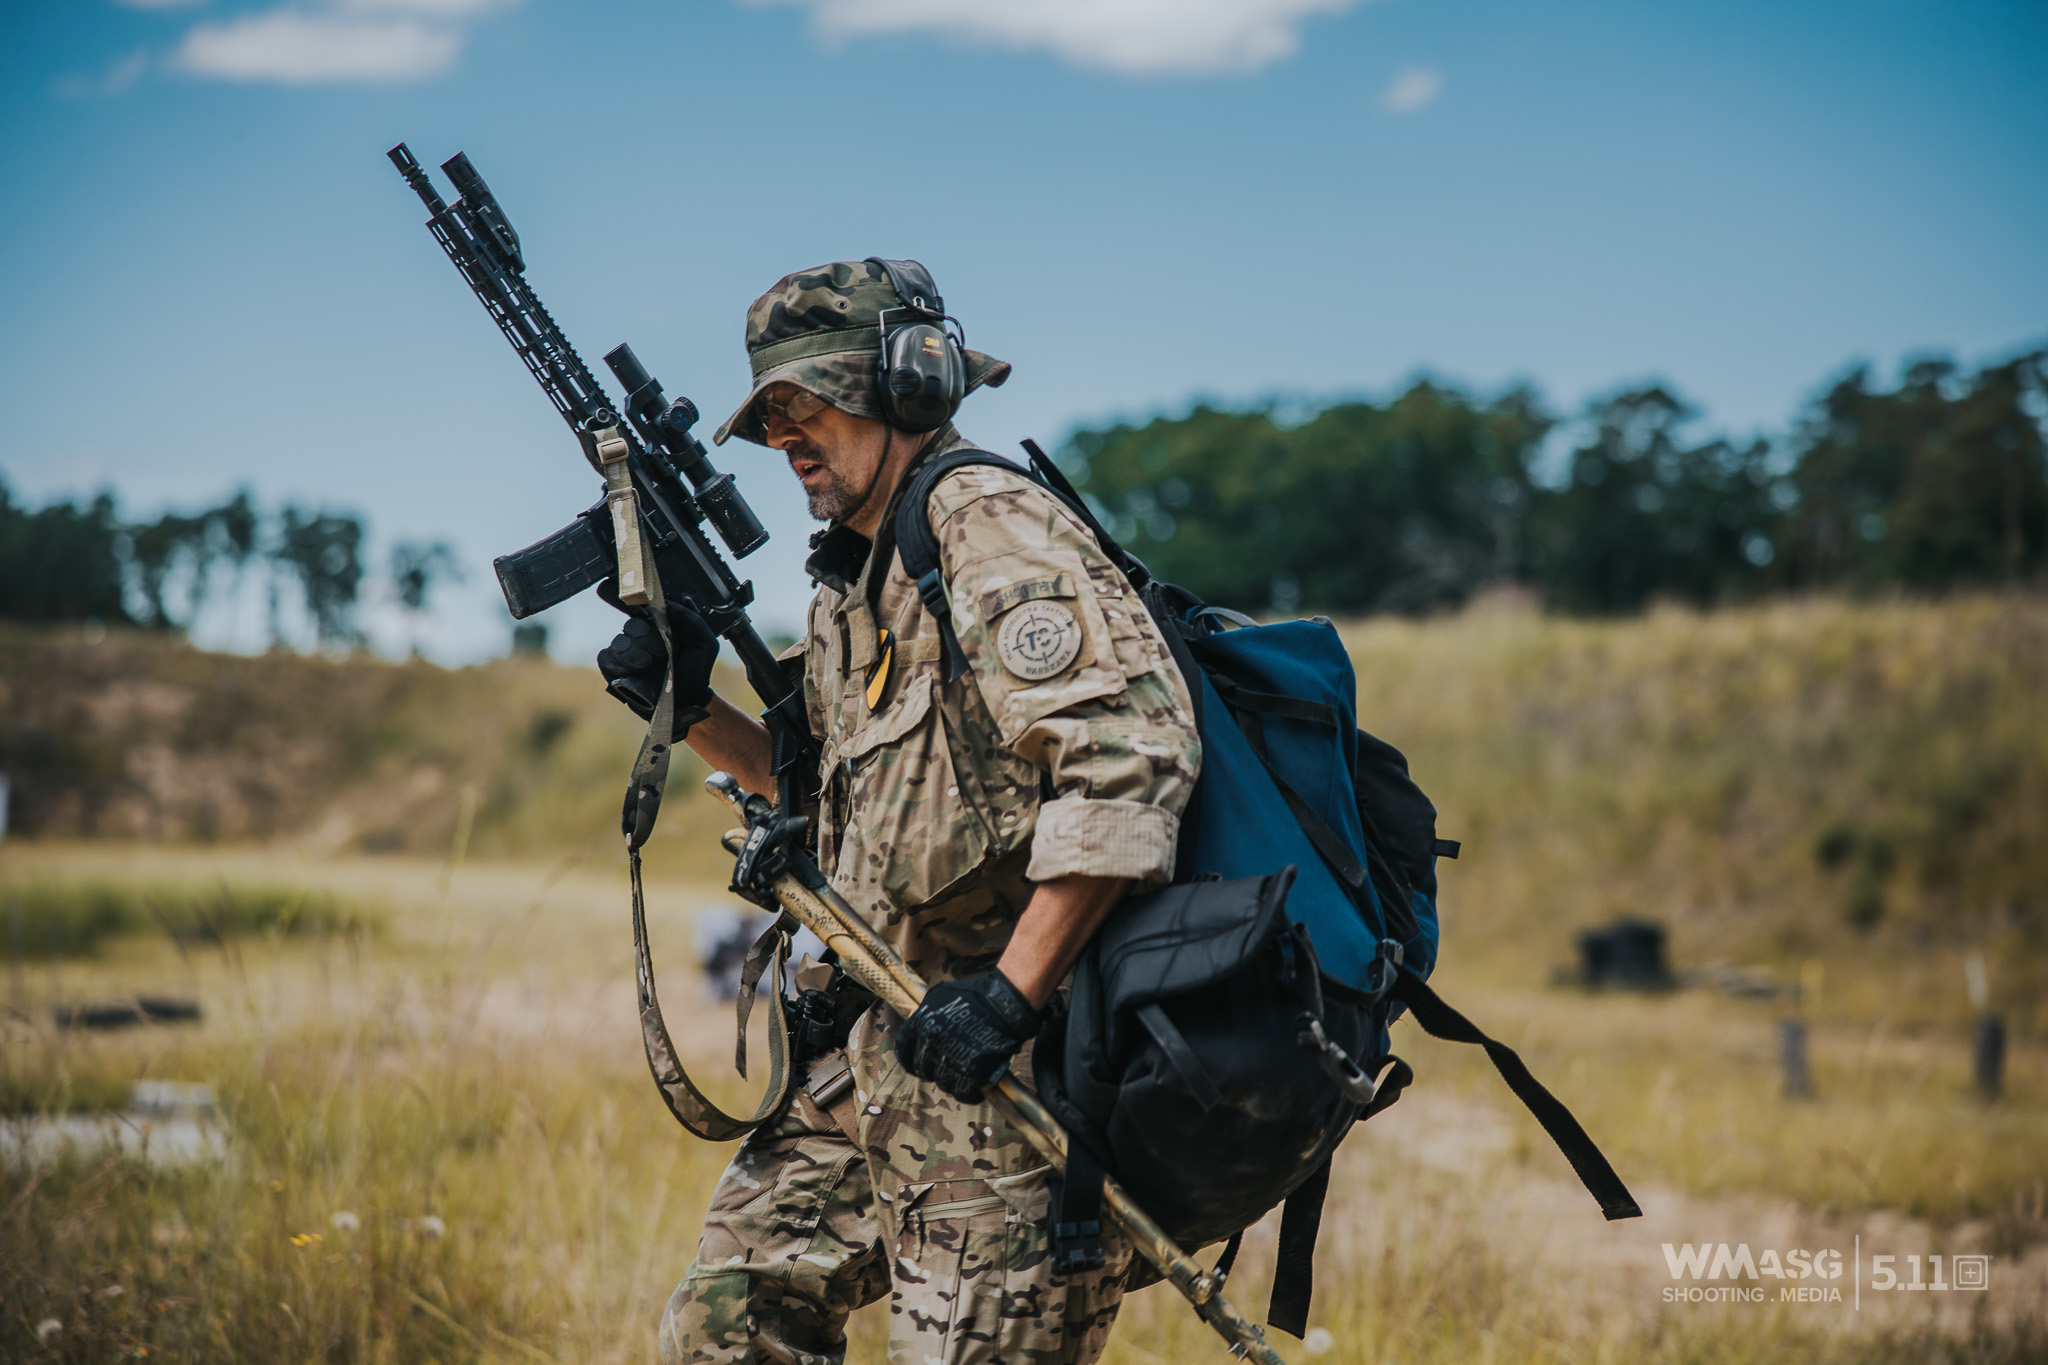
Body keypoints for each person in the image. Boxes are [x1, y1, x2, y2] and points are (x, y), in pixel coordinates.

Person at [598, 259, 1201, 1365]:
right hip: (879, 1054)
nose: (787, 439)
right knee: (732, 1319)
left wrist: (1008, 999)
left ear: (910, 387)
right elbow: (828, 792)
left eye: (809, 405)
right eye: (772, 414)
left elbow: (1127, 763)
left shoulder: (984, 522)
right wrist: (685, 707)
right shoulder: (856, 583)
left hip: (1013, 1073)